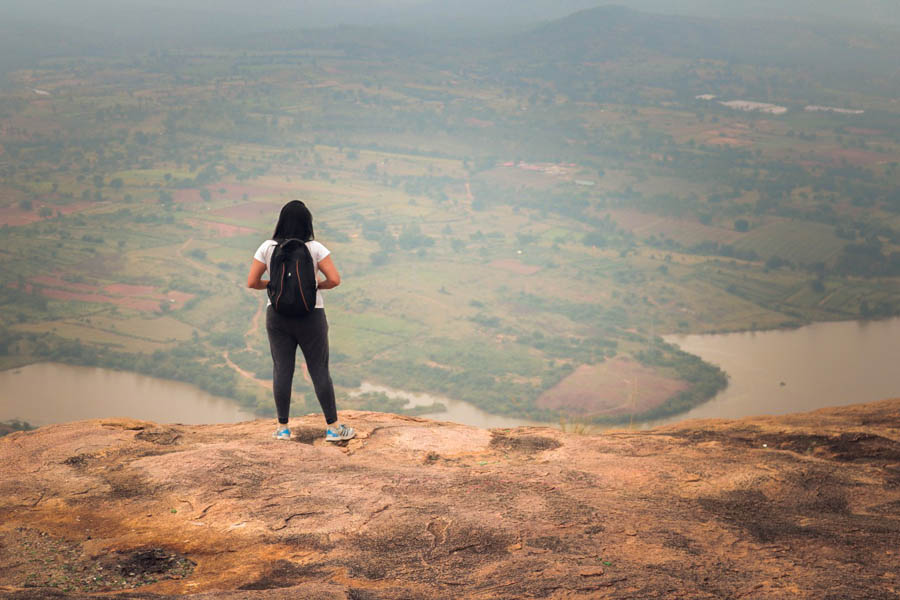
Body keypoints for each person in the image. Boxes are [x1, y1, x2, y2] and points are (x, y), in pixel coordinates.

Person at [246, 200, 355, 442]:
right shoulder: (315, 248)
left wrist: (273, 286)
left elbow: (252, 282)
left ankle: (283, 429)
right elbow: (335, 279)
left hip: (277, 316)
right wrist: (315, 285)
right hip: (311, 315)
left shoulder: (267, 247)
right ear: (308, 222)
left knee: (282, 370)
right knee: (319, 370)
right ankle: (334, 429)